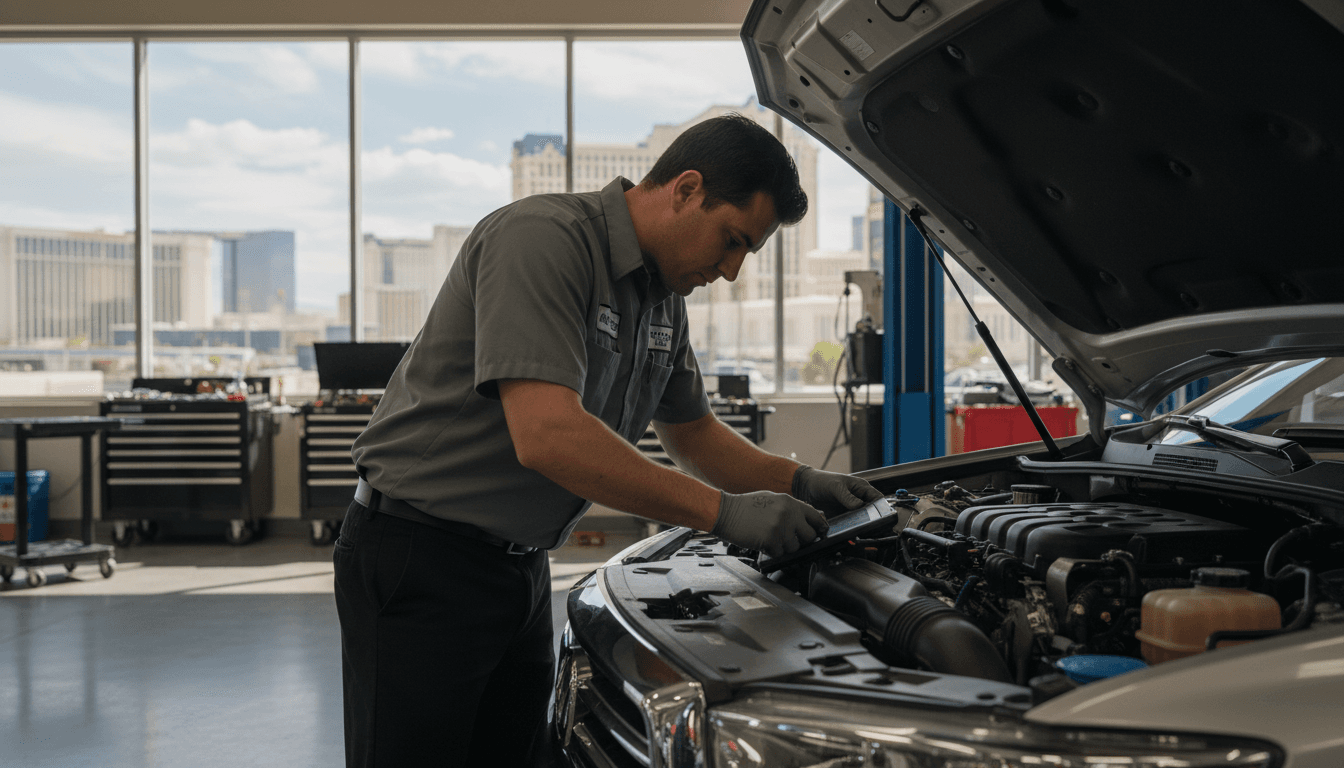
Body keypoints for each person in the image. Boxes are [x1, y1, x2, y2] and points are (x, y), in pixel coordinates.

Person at [334, 113, 883, 768]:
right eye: (732, 241)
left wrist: (794, 481)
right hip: (422, 556)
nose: (733, 271)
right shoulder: (543, 241)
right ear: (685, 190)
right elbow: (548, 435)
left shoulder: (661, 299)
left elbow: (695, 435)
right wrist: (726, 513)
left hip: (519, 566)